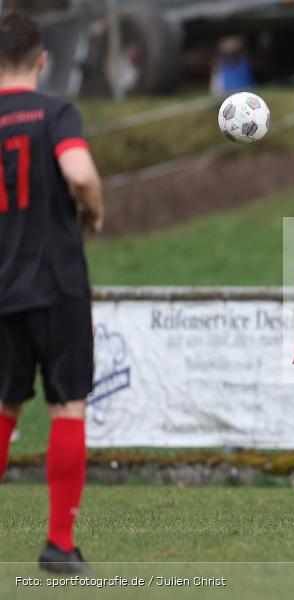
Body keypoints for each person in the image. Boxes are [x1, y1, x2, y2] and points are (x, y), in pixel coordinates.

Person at [0, 13, 104, 574]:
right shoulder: (55, 111)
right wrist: (95, 212)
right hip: (57, 283)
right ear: (41, 60)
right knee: (67, 406)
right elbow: (80, 173)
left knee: (4, 407)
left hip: (2, 286)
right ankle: (59, 544)